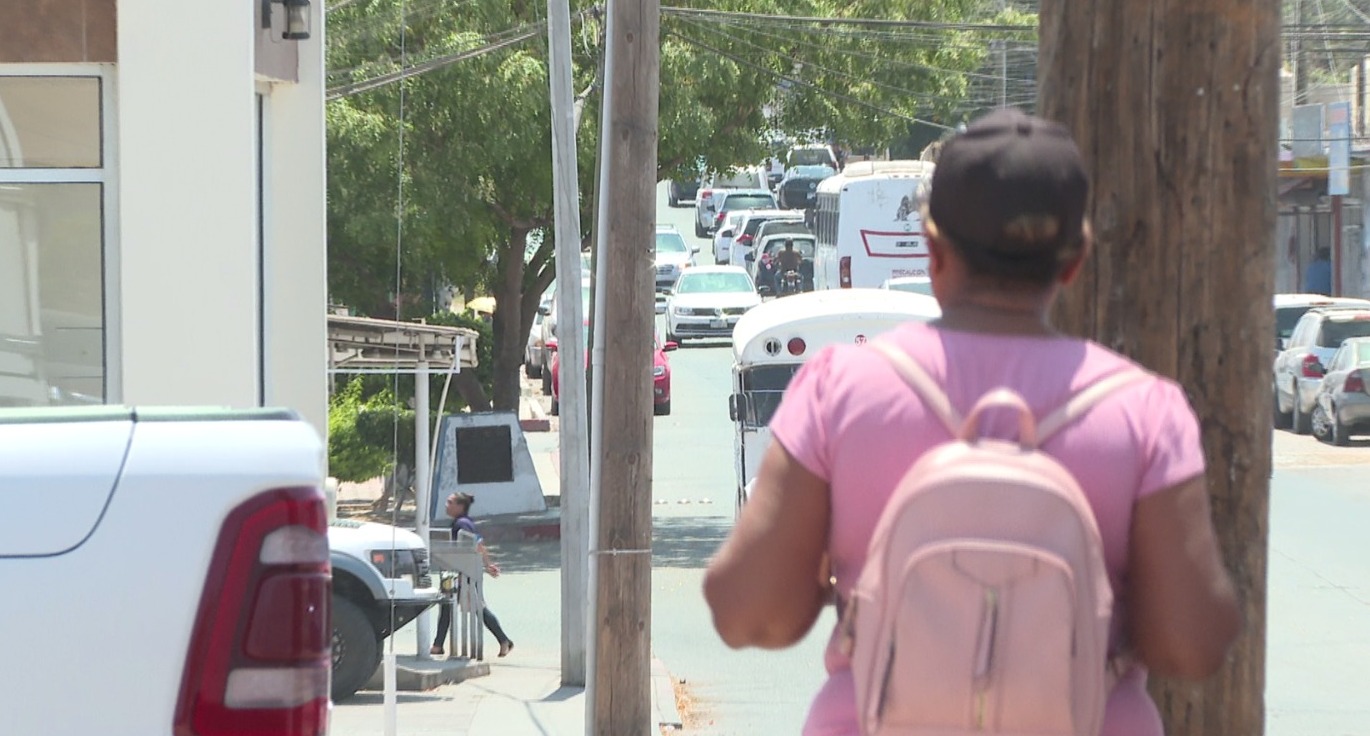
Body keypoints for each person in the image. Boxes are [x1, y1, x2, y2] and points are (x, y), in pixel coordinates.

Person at [703, 108, 1240, 736]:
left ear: (933, 250)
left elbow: (746, 612)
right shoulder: (1145, 412)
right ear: (1074, 260)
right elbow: (1194, 644)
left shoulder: (839, 391)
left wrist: (840, 577)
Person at [431, 492, 515, 659]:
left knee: (478, 608)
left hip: (464, 574)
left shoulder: (462, 524)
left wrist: (473, 569)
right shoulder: (462, 523)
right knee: (448, 607)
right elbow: (479, 544)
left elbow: (474, 546)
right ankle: (437, 645)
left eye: (450, 502)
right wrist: (487, 564)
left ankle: (504, 640)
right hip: (459, 572)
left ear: (460, 506)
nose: (446, 505)